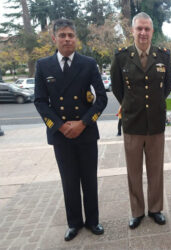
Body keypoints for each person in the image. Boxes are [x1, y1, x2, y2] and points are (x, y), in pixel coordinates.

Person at [34, 19, 107, 241]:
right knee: (69, 180)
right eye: (63, 35)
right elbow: (40, 101)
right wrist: (59, 125)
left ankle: (93, 221)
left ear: (76, 39)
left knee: (89, 179)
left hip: (85, 131)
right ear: (54, 38)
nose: (67, 39)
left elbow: (101, 98)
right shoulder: (43, 65)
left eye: (71, 35)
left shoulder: (88, 63)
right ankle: (74, 223)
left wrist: (83, 122)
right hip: (61, 135)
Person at [110, 12, 171, 229]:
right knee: (133, 171)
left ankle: (155, 209)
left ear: (152, 31)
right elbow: (118, 89)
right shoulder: (121, 57)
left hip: (155, 124)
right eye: (139, 29)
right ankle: (137, 211)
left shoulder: (163, 56)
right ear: (133, 31)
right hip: (133, 124)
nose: (143, 33)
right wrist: (132, 106)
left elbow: (167, 88)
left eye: (147, 29)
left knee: (156, 169)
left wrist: (154, 106)